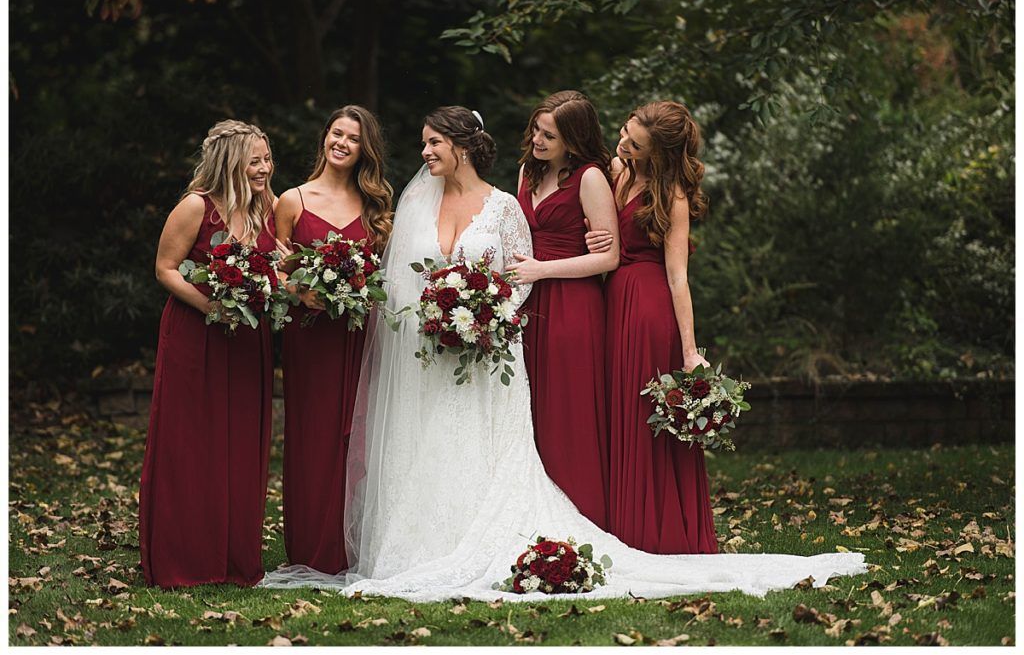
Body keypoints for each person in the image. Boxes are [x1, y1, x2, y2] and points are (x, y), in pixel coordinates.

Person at [260, 107, 866, 602]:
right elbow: (408, 279)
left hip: (530, 325)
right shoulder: (493, 187)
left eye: (433, 143)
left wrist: (488, 315)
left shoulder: (544, 194)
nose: (424, 154)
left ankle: (585, 526)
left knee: (535, 430)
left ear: (462, 148)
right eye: (422, 144)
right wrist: (447, 310)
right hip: (461, 339)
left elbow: (534, 267)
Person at [140, 119, 279, 588]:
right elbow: (165, 268)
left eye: (266, 158)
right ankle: (186, 559)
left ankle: (234, 560)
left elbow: (283, 261)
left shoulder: (267, 206)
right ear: (229, 163)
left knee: (240, 442)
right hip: (196, 335)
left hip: (246, 342)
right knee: (192, 442)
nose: (264, 168)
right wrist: (213, 306)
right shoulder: (195, 207)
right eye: (254, 161)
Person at [591, 100, 719, 554]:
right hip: (610, 299)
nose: (623, 142)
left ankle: (652, 530)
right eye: (625, 132)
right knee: (615, 411)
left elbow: (678, 277)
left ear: (659, 154)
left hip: (648, 309)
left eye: (636, 143)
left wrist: (689, 350)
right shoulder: (617, 171)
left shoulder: (672, 197)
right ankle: (618, 521)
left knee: (643, 419)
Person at [274, 105, 393, 574]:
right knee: (312, 432)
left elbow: (384, 274)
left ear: (366, 149)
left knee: (357, 433)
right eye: (336, 133)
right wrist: (301, 292)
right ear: (324, 138)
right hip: (309, 335)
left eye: (354, 138)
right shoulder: (292, 200)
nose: (342, 143)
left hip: (358, 334)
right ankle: (309, 544)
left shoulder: (375, 205)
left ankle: (353, 543)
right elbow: (275, 269)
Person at [507, 90, 619, 529]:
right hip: (527, 302)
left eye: (549, 134)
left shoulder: (590, 178)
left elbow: (608, 257)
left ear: (573, 139)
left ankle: (582, 519)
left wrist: (542, 269)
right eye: (536, 128)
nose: (537, 139)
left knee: (567, 411)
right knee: (529, 408)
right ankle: (535, 518)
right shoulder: (525, 173)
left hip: (573, 305)